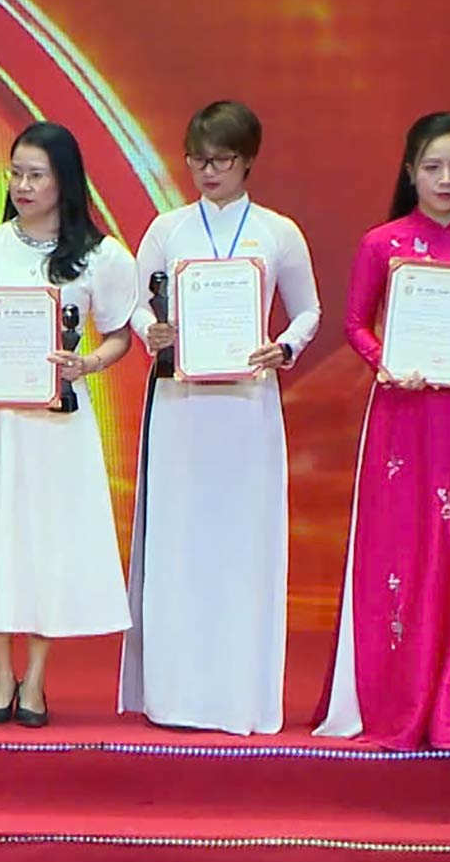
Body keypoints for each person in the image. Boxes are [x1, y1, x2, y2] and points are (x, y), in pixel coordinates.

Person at [314, 112, 450, 748]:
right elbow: (355, 324)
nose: (446, 179)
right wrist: (387, 363)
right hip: (400, 414)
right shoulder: (383, 242)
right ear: (410, 172)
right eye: (433, 167)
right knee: (394, 546)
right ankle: (384, 692)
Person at [0, 121, 139, 726]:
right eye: (15, 172)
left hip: (54, 423)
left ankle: (36, 679)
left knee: (47, 541)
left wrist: (87, 363)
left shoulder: (101, 256)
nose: (21, 184)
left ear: (64, 180)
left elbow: (121, 336)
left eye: (35, 174)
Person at [120, 101, 322, 735]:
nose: (207, 171)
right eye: (197, 159)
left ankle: (240, 696)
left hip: (246, 403)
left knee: (242, 542)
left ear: (248, 160)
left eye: (221, 160)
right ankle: (175, 696)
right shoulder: (168, 228)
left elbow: (309, 311)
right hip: (180, 403)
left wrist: (283, 346)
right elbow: (132, 300)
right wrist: (149, 329)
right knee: (178, 541)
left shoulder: (278, 232)